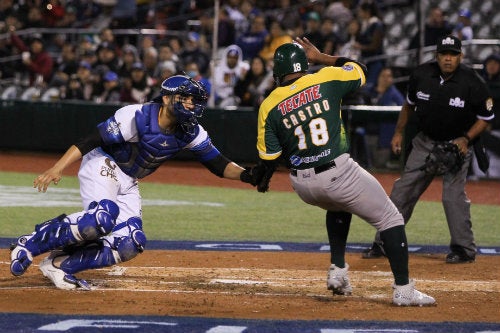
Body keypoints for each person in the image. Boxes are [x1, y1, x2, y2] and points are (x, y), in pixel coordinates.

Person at [9, 75, 263, 290]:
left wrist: (248, 175)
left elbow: (217, 163)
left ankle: (60, 266)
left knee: (130, 242)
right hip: (103, 162)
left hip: (129, 178)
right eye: (184, 98)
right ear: (166, 98)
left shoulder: (191, 131)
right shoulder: (138, 115)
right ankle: (29, 244)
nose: (190, 104)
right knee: (100, 219)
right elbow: (91, 139)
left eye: (193, 100)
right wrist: (57, 167)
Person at [251, 37, 435, 306]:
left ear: (276, 72)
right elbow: (360, 69)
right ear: (304, 64)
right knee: (391, 218)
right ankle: (404, 289)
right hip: (336, 172)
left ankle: (338, 271)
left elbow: (269, 158)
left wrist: (263, 179)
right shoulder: (325, 78)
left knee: (338, 206)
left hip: (302, 185)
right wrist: (323, 57)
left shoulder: (268, 104)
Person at [361, 35, 495, 263]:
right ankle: (384, 242)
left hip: (456, 144)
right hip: (425, 141)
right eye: (444, 54)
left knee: (452, 198)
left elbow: (486, 118)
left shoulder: (472, 82)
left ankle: (464, 249)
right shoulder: (422, 75)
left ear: (460, 56)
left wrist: (465, 139)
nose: (448, 59)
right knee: (403, 191)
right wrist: (399, 132)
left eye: (453, 55)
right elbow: (408, 106)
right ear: (437, 56)